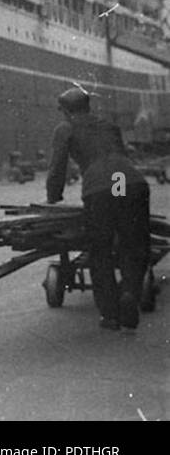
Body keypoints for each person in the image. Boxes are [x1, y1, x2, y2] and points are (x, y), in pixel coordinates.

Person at [46, 87, 151, 330]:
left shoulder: (65, 128)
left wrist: (53, 197)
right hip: (130, 182)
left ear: (65, 111)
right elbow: (121, 157)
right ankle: (130, 293)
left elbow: (57, 167)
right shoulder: (109, 125)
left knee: (100, 249)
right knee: (133, 244)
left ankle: (110, 314)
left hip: (99, 188)